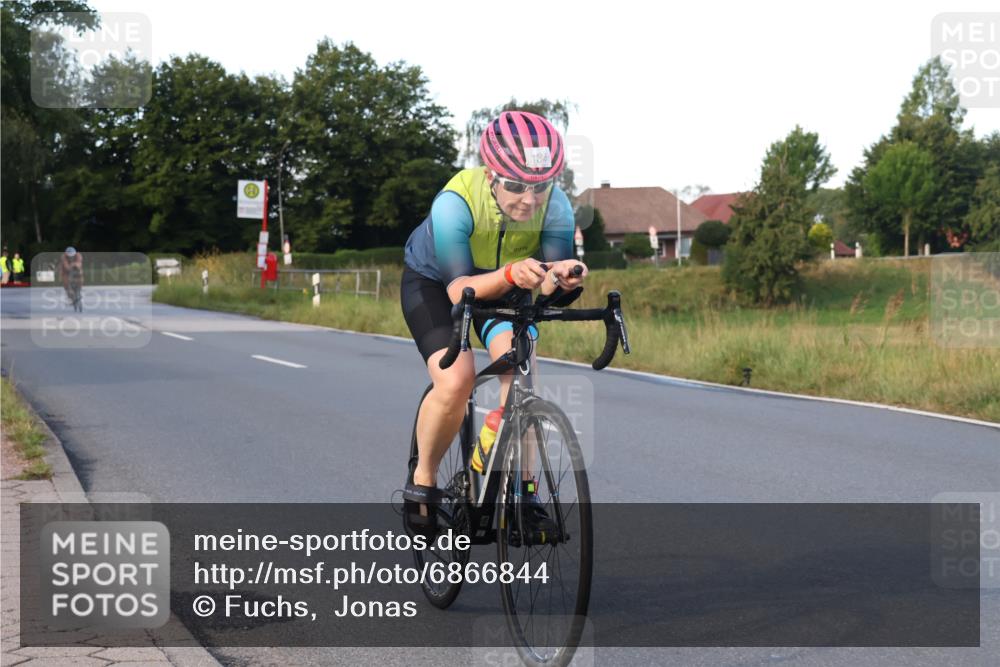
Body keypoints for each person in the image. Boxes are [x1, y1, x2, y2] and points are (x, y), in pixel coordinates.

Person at [400, 110, 587, 536]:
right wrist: (509, 275)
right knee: (456, 378)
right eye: (516, 186)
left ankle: (524, 493)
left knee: (521, 370)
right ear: (490, 175)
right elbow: (459, 289)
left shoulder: (555, 206)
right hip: (438, 282)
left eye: (539, 185)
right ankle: (424, 481)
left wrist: (564, 277)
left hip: (509, 279)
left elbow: (551, 276)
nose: (529, 199)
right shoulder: (454, 203)